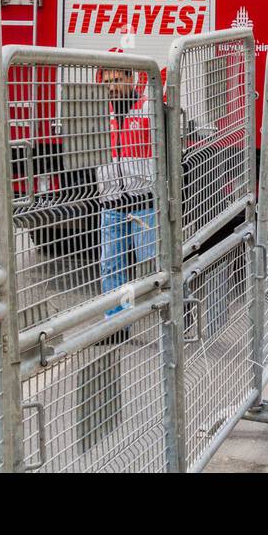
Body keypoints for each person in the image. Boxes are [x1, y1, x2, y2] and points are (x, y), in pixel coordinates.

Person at [96, 64, 158, 337]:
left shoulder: (146, 108)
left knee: (153, 264)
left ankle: (170, 314)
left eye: (117, 80)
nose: (111, 86)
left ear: (130, 78)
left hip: (142, 201)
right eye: (107, 81)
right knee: (112, 266)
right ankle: (118, 324)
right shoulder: (100, 114)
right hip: (111, 202)